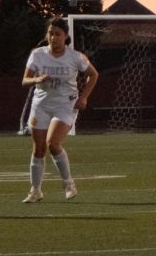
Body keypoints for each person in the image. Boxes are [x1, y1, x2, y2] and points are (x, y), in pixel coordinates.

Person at [21, 18, 98, 202]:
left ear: (65, 37)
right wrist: (36, 80)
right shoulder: (37, 54)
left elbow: (93, 75)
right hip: (41, 105)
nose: (53, 37)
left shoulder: (75, 57)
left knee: (53, 143)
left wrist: (84, 96)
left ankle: (68, 183)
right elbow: (25, 80)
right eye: (50, 33)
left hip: (65, 105)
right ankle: (35, 190)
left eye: (57, 34)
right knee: (38, 149)